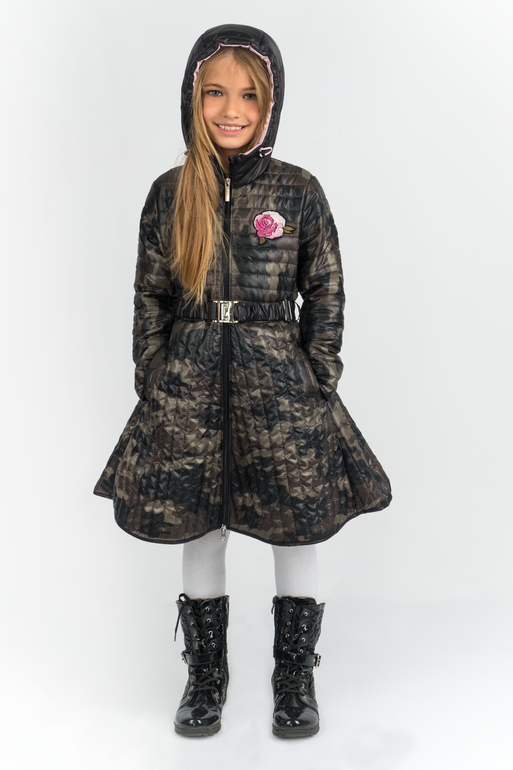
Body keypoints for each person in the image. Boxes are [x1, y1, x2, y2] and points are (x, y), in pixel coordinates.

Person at [94, 23, 392, 739]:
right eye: (215, 93)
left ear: (271, 103)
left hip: (280, 388)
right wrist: (153, 374)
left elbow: (326, 290)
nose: (232, 110)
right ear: (191, 98)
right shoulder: (170, 194)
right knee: (200, 526)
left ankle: (294, 675)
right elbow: (149, 296)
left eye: (250, 95)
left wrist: (318, 373)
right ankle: (205, 675)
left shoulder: (297, 191)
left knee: (298, 524)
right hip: (188, 386)